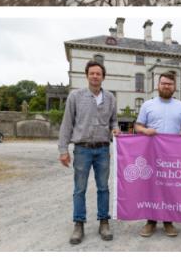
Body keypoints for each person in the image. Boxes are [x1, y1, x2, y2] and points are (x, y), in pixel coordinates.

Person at [58, 60, 121, 244]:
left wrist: (115, 128)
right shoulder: (75, 96)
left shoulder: (110, 98)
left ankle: (104, 222)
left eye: (98, 73)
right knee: (80, 189)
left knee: (103, 188)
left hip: (103, 149)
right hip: (82, 149)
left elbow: (114, 121)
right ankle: (79, 224)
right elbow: (67, 124)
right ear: (87, 75)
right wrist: (63, 149)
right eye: (92, 73)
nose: (95, 76)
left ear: (103, 77)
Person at [134, 71, 181, 238]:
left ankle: (168, 221)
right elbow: (137, 126)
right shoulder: (148, 105)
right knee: (151, 187)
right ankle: (151, 221)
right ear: (158, 85)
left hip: (172, 156)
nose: (166, 86)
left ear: (174, 87)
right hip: (151, 154)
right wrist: (145, 130)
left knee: (170, 188)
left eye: (170, 84)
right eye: (164, 83)